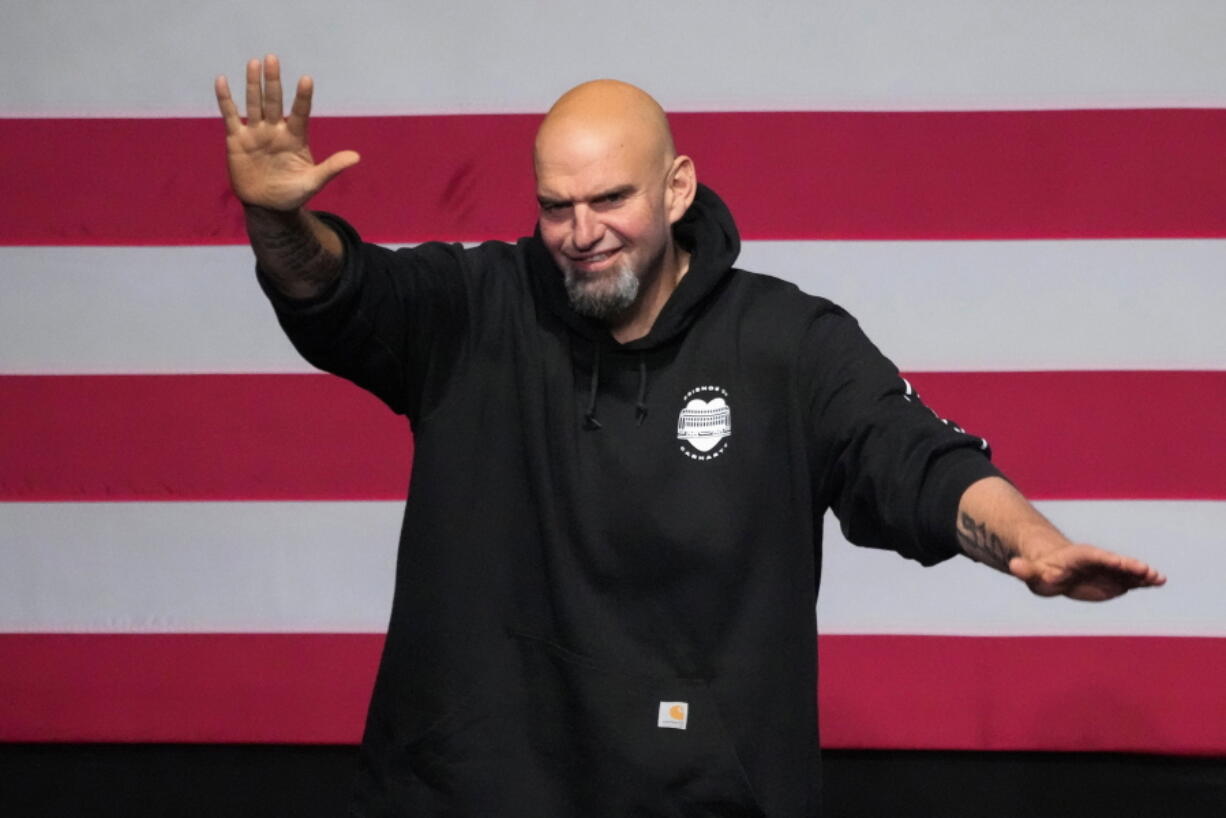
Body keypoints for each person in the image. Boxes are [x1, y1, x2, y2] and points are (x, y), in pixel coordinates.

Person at [215, 55, 1166, 817]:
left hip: (701, 797)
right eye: (556, 206)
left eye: (610, 200)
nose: (580, 232)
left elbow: (912, 456)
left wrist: (1031, 546)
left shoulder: (786, 342)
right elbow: (333, 290)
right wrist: (275, 219)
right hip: (459, 790)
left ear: (677, 189)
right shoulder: (473, 309)